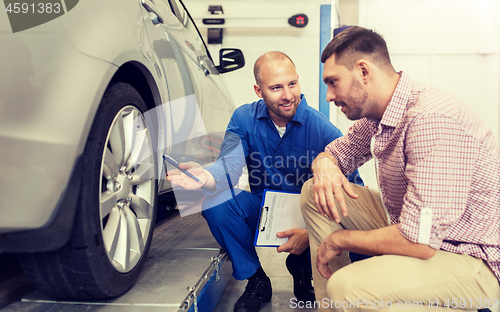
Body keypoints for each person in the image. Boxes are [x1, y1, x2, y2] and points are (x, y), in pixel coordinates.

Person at [300, 26, 500, 311]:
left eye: (333, 82)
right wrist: (324, 166)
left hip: (469, 258)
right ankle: (331, 307)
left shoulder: (429, 120)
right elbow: (337, 153)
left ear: (363, 72)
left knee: (347, 287)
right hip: (414, 229)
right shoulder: (381, 113)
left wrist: (341, 239)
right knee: (315, 192)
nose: (329, 95)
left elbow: (420, 242)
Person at [168, 51, 363, 312]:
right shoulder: (244, 119)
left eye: (292, 84)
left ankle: (303, 270)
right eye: (276, 88)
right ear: (258, 90)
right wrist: (207, 176)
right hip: (264, 210)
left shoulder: (323, 129)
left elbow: (354, 193)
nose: (287, 95)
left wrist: (311, 233)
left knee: (338, 225)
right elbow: (230, 165)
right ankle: (257, 279)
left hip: (309, 219)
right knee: (215, 201)